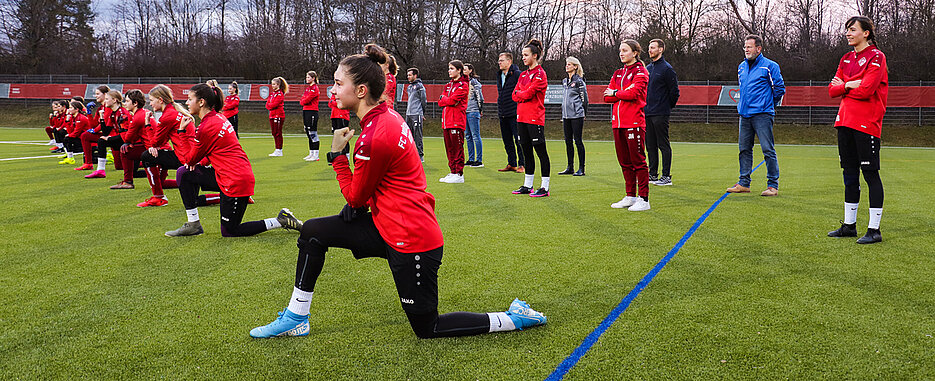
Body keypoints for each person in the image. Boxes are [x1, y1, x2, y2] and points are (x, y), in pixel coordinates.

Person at [249, 43, 546, 339]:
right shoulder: (385, 114)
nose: (333, 91)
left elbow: (356, 197)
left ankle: (512, 318)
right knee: (313, 232)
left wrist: (337, 156)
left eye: (339, 84)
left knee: (429, 328)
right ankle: (296, 317)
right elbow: (363, 197)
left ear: (362, 91)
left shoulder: (375, 135)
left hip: (412, 238)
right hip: (387, 225)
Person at [165, 83, 303, 237]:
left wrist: (182, 132)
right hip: (228, 175)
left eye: (190, 99)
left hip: (235, 180)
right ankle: (193, 224)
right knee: (184, 173)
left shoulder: (207, 126)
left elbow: (188, 159)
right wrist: (196, 163)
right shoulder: (217, 117)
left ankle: (281, 220)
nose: (186, 103)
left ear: (201, 102)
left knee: (230, 231)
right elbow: (209, 153)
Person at [826, 16, 888, 244]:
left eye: (852, 30)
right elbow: (831, 91)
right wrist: (851, 84)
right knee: (849, 174)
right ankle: (849, 225)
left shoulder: (876, 57)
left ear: (866, 33)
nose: (848, 33)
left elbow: (867, 89)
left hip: (866, 124)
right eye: (847, 30)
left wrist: (844, 85)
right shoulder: (845, 59)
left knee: (870, 174)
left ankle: (874, 230)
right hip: (844, 122)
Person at [727, 34, 785, 196]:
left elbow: (779, 89)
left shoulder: (770, 66)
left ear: (758, 49)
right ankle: (744, 183)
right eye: (745, 46)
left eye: (749, 46)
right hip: (744, 115)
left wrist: (767, 105)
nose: (746, 49)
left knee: (768, 150)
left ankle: (772, 185)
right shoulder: (741, 67)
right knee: (744, 149)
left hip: (763, 115)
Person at [605, 40, 651, 211]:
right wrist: (620, 94)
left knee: (638, 161)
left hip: (634, 122)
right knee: (624, 162)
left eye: (625, 50)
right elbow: (607, 97)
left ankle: (644, 199)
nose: (621, 53)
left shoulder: (641, 72)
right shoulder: (618, 73)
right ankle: (630, 195)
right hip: (617, 123)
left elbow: (634, 93)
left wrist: (617, 92)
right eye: (620, 51)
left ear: (635, 53)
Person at [137, 85, 195, 208]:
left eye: (152, 100)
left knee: (147, 156)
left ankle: (159, 197)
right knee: (196, 200)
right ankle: (161, 188)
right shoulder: (175, 112)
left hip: (185, 159)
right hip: (191, 156)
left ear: (160, 100)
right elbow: (161, 141)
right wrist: (156, 147)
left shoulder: (168, 116)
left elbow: (154, 142)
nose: (150, 104)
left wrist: (147, 124)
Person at [511, 39, 551, 197]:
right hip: (521, 117)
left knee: (541, 152)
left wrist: (522, 93)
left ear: (535, 56)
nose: (523, 57)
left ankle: (545, 187)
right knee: (526, 151)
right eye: (522, 55)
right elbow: (515, 95)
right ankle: (528, 185)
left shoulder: (540, 74)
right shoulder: (523, 75)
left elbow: (527, 94)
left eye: (526, 55)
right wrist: (522, 94)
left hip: (535, 118)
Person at [644, 39, 680, 186]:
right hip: (647, 112)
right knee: (650, 145)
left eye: (653, 47)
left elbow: (674, 93)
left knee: (663, 144)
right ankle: (653, 175)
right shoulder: (648, 68)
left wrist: (666, 107)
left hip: (661, 113)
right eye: (649, 47)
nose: (650, 50)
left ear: (661, 50)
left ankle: (666, 177)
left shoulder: (667, 69)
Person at [85, 90, 131, 179]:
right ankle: (100, 170)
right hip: (121, 140)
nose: (105, 101)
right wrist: (102, 118)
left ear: (114, 100)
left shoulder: (122, 113)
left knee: (132, 170)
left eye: (107, 99)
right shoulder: (113, 113)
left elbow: (125, 136)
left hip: (128, 142)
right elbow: (106, 132)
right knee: (102, 141)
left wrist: (109, 139)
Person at [109, 90, 149, 189]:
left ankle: (128, 181)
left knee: (125, 150)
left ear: (135, 103)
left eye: (127, 101)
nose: (124, 103)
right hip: (151, 147)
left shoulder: (137, 116)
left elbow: (127, 138)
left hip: (152, 149)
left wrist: (121, 127)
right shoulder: (142, 113)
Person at [438, 60, 469, 184]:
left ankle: (459, 173)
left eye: (451, 68)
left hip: (456, 121)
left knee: (457, 148)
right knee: (449, 149)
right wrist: (447, 100)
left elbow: (452, 101)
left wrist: (446, 100)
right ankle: (452, 171)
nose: (449, 71)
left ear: (459, 70)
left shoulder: (463, 85)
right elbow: (441, 102)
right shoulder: (448, 85)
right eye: (449, 68)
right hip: (446, 121)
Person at [559, 57, 588, 176]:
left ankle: (581, 168)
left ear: (575, 66)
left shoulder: (579, 81)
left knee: (578, 141)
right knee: (568, 142)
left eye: (569, 64)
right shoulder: (565, 81)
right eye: (566, 64)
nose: (567, 66)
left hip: (577, 115)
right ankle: (570, 167)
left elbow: (584, 99)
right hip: (566, 116)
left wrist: (583, 113)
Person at [496, 52, 524, 173]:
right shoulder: (499, 75)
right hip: (503, 113)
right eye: (499, 60)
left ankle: (522, 165)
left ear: (509, 61)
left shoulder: (517, 74)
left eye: (502, 60)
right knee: (507, 140)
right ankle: (511, 163)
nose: (499, 62)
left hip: (514, 113)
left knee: (519, 140)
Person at [74, 85, 110, 171]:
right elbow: (93, 125)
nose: (95, 96)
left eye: (98, 94)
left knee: (85, 135)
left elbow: (105, 123)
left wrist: (95, 130)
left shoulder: (108, 107)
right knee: (85, 135)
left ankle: (89, 163)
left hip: (112, 135)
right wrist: (89, 113)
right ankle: (88, 163)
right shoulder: (101, 108)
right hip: (107, 134)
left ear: (105, 94)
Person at [464, 63, 484, 168]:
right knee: (468, 136)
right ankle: (471, 159)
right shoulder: (463, 82)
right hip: (465, 112)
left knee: (475, 135)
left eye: (465, 69)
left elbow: (479, 97)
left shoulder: (474, 82)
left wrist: (480, 109)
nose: (463, 71)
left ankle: (479, 160)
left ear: (470, 70)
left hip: (473, 111)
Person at [405, 67, 427, 161]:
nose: (408, 77)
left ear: (415, 75)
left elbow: (423, 100)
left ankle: (420, 156)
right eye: (407, 75)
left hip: (416, 114)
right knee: (408, 135)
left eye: (410, 75)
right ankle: (410, 154)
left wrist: (422, 113)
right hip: (408, 114)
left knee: (418, 135)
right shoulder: (409, 87)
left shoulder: (420, 86)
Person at [300, 71, 322, 162]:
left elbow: (306, 100)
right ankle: (311, 153)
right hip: (306, 111)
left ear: (313, 78)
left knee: (313, 133)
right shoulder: (308, 89)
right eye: (306, 77)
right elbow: (302, 100)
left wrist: (304, 100)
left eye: (308, 77)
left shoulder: (314, 88)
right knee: (308, 132)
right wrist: (303, 100)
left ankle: (316, 154)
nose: (307, 79)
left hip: (312, 112)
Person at [59, 100, 89, 165]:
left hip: (86, 139)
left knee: (67, 139)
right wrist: (67, 121)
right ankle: (70, 158)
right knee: (66, 138)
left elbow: (76, 133)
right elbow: (70, 131)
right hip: (80, 137)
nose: (69, 109)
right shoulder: (73, 118)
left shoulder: (81, 118)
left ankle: (72, 156)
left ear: (77, 109)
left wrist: (69, 135)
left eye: (71, 108)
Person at [266, 76, 288, 157]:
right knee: (274, 132)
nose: (273, 86)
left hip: (278, 115)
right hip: (272, 115)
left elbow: (274, 105)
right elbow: (268, 105)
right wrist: (270, 105)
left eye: (274, 84)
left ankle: (279, 150)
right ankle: (277, 149)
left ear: (278, 85)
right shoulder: (272, 94)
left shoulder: (280, 94)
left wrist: (270, 105)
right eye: (272, 84)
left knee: (278, 132)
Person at [328, 91, 351, 160]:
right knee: (336, 136)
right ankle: (337, 155)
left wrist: (334, 102)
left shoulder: (345, 91)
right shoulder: (334, 92)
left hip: (342, 116)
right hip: (334, 116)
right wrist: (334, 102)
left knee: (344, 136)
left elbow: (342, 103)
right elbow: (330, 103)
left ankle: (347, 155)